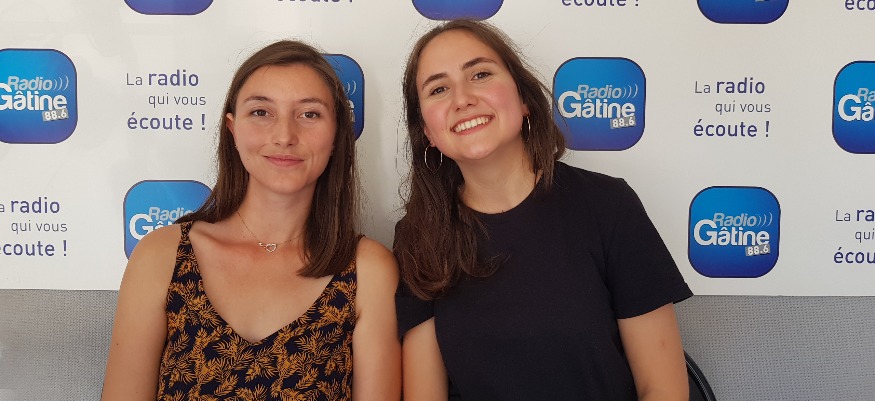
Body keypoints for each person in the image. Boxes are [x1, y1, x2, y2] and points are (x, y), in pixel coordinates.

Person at [394, 20, 693, 401]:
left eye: (480, 74)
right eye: (438, 89)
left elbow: (663, 389)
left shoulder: (608, 205)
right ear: (427, 133)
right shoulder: (417, 236)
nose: (462, 98)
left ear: (524, 100)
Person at [102, 40, 401, 401]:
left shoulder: (368, 271)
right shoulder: (161, 256)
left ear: (337, 135)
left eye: (309, 114)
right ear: (233, 130)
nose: (284, 136)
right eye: (261, 112)